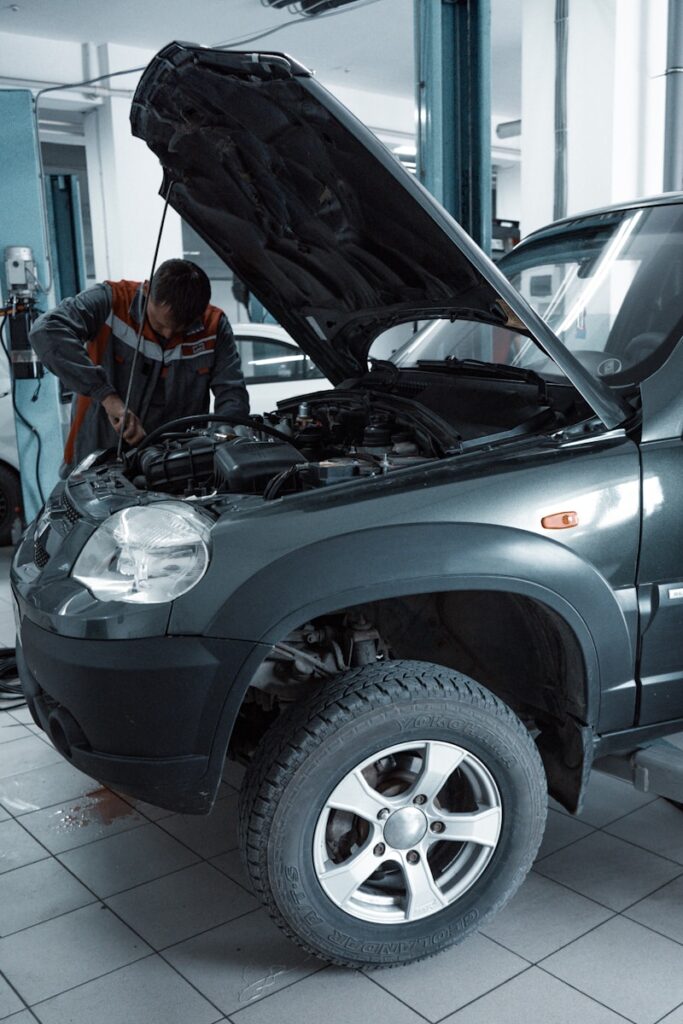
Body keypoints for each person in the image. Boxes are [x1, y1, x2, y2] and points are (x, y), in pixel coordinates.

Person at [30, 259, 249, 469]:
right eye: (161, 324)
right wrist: (106, 396)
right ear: (146, 291)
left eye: (182, 327)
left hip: (178, 465)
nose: (169, 334)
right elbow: (45, 331)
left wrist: (222, 440)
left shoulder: (214, 326)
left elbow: (232, 394)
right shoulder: (111, 302)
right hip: (97, 460)